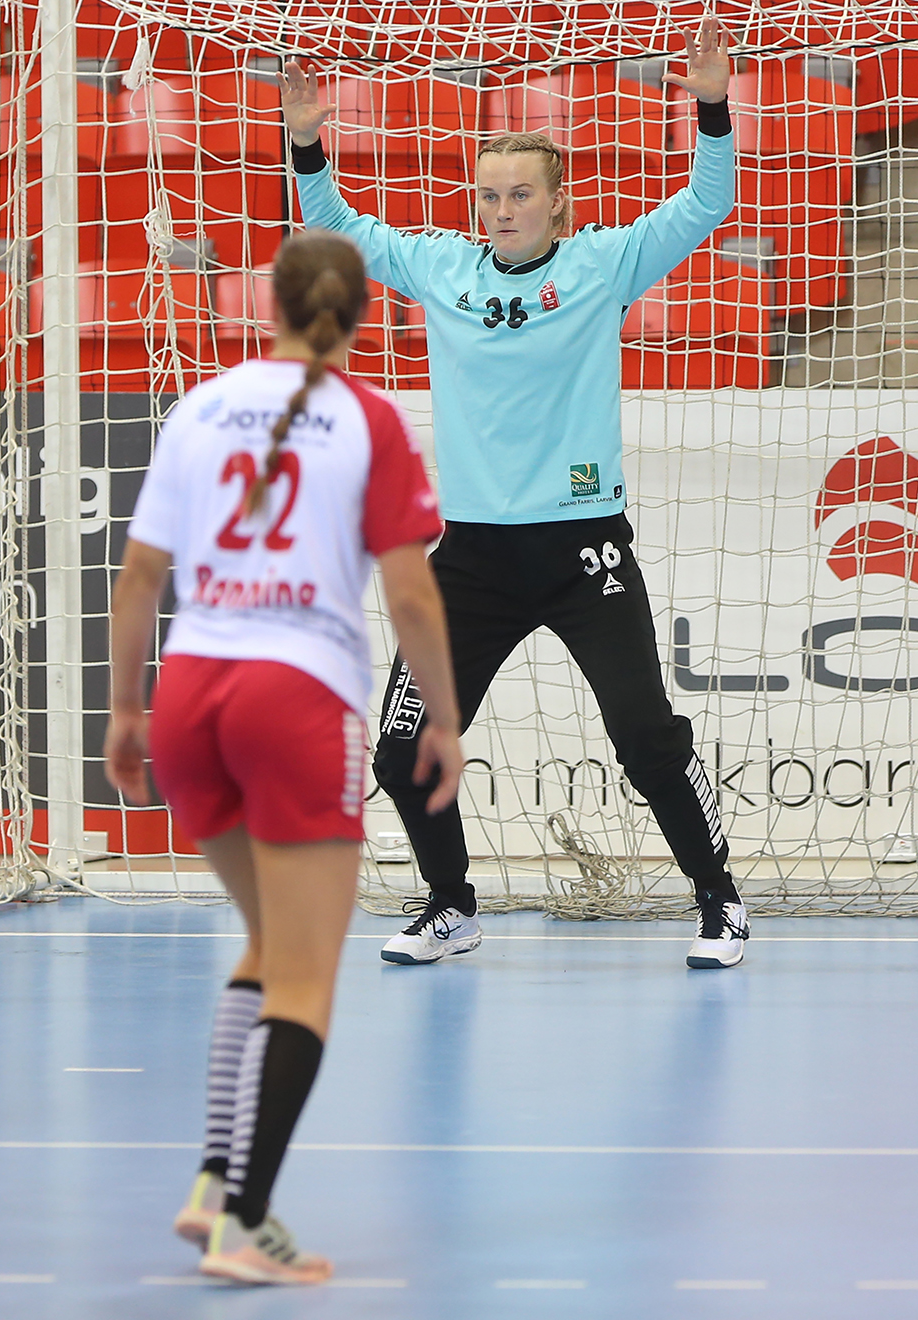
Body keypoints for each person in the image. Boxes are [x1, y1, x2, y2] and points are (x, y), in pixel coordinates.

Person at [280, 18, 749, 969]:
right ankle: (451, 906)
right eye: (489, 194)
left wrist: (710, 106)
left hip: (584, 552)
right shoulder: (442, 269)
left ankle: (720, 901)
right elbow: (337, 228)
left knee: (645, 738)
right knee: (400, 750)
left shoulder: (602, 266)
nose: (502, 210)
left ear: (557, 201)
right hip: (473, 559)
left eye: (521, 194)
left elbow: (707, 202)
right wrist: (306, 143)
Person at [106, 230, 462, 1285]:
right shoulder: (372, 419)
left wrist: (124, 711)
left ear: (266, 305)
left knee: (265, 943)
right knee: (306, 978)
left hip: (190, 694)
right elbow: (411, 595)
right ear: (362, 315)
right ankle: (245, 1223)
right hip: (294, 695)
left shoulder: (198, 408)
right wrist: (443, 720)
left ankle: (213, 1182)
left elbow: (138, 578)